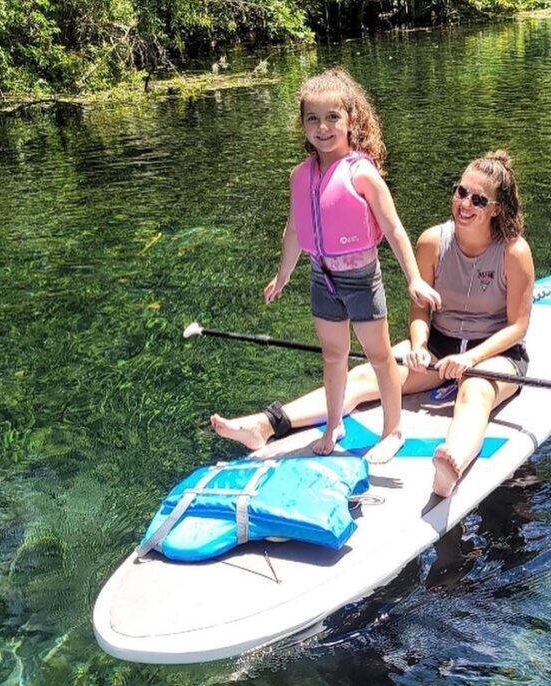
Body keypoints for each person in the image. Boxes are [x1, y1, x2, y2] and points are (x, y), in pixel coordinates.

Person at [211, 149, 534, 498]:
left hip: (494, 354)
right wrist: (419, 345)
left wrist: (471, 360)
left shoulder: (514, 251)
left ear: (496, 209)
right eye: (460, 192)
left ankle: (449, 465)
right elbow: (420, 311)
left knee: (475, 391)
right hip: (440, 344)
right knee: (366, 375)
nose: (464, 204)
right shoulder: (431, 241)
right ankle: (266, 424)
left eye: (478, 199)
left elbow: (517, 327)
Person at [232, 67, 440, 464]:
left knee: (379, 356)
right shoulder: (300, 176)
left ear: (351, 121)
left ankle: (393, 429)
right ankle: (333, 426)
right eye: (313, 118)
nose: (323, 127)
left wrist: (414, 278)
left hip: (361, 278)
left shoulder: (362, 173)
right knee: (333, 355)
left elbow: (394, 230)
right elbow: (294, 230)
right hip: (320, 277)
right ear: (303, 125)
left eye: (332, 117)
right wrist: (282, 276)